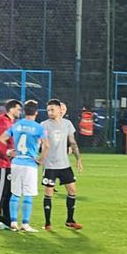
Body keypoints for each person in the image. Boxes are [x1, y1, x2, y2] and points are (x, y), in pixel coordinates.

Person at [0, 100, 46, 232]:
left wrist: (9, 152)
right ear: (36, 112)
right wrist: (41, 160)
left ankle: (13, 222)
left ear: (24, 111)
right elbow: (47, 145)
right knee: (28, 194)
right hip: (30, 163)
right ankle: (25, 224)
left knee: (15, 193)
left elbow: (2, 138)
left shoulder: (16, 125)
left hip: (16, 162)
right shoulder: (39, 128)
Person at [39, 98, 84, 231]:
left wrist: (78, 159)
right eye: (48, 110)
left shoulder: (67, 124)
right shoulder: (44, 125)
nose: (50, 112)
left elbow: (73, 142)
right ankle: (47, 223)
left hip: (64, 164)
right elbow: (41, 143)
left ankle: (70, 220)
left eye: (52, 109)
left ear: (60, 110)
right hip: (50, 165)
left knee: (72, 191)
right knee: (48, 194)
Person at [0, 99, 21, 229]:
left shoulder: (10, 122)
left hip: (9, 164)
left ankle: (7, 220)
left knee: (8, 192)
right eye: (19, 109)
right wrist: (7, 152)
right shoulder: (3, 121)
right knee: (1, 192)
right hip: (2, 163)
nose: (20, 112)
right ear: (12, 109)